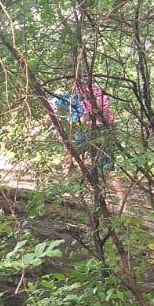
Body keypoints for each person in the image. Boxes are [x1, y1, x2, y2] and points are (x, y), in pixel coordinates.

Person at [54, 80, 126, 212]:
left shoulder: (97, 95)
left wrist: (80, 121)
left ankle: (123, 202)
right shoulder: (82, 95)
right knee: (71, 154)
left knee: (108, 169)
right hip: (89, 132)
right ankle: (67, 189)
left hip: (99, 131)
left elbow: (92, 114)